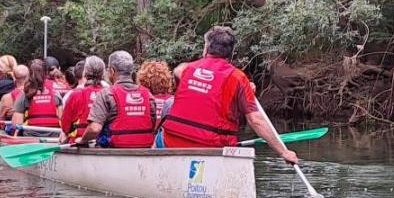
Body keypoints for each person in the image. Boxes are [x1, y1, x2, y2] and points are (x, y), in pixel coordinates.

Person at [162, 26, 298, 165]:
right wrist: (283, 152)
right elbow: (255, 120)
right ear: (231, 53)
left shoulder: (187, 69)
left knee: (159, 135)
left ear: (207, 47)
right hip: (211, 148)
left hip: (173, 142)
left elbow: (178, 70)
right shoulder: (238, 78)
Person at [79, 51, 158, 148]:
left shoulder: (106, 94)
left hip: (113, 152)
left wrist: (82, 140)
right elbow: (153, 123)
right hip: (144, 150)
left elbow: (94, 129)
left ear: (112, 71)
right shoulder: (148, 95)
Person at [60, 55, 107, 141]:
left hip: (79, 142)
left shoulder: (76, 94)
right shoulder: (109, 93)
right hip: (104, 142)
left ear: (85, 73)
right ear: (103, 73)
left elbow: (65, 127)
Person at [12, 58, 62, 132]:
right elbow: (63, 120)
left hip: (31, 136)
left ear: (29, 74)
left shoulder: (24, 95)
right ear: (46, 73)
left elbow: (16, 125)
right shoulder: (56, 94)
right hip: (54, 135)